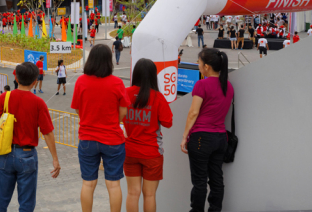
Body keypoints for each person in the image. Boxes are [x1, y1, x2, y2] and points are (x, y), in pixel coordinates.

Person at [0, 62, 61, 212]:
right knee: (26, 203)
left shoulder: (4, 98)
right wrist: (55, 159)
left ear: (16, 79)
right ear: (34, 82)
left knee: (1, 199)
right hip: (27, 156)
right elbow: (47, 133)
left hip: (4, 154)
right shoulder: (38, 102)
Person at [71, 44, 129, 212]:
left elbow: (77, 108)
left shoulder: (81, 81)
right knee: (113, 184)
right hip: (113, 139)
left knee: (88, 183)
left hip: (87, 138)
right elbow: (124, 111)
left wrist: (88, 118)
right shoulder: (117, 83)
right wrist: (111, 121)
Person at [181, 48, 233, 212]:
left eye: (199, 63)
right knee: (217, 179)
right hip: (220, 139)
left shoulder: (202, 84)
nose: (198, 65)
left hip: (201, 138)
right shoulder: (228, 86)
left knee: (199, 181)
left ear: (207, 67)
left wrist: (184, 137)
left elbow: (193, 112)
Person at [123, 59, 173, 212]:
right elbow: (168, 122)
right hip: (152, 152)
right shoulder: (158, 97)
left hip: (129, 151)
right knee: (149, 195)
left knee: (132, 193)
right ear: (153, 76)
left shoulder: (125, 93)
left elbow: (117, 115)